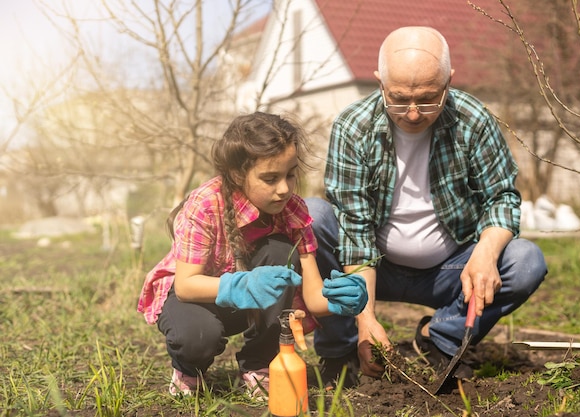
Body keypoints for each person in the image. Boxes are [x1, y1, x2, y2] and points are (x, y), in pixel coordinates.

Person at [307, 26, 547, 388]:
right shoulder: (353, 127)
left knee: (525, 261)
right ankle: (341, 351)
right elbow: (354, 230)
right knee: (314, 216)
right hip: (377, 266)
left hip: (450, 271)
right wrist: (366, 319)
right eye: (400, 99)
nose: (414, 113)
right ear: (380, 82)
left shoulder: (473, 120)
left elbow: (501, 198)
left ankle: (440, 340)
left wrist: (485, 252)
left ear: (449, 81)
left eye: (429, 98)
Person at [137, 112, 368, 397]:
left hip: (246, 302)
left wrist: (339, 300)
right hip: (193, 298)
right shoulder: (207, 204)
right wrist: (242, 284)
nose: (284, 189)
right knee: (198, 338)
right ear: (237, 174)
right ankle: (188, 368)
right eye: (270, 178)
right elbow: (185, 286)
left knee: (281, 251)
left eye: (290, 174)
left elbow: (312, 295)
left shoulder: (293, 211)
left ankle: (260, 363)